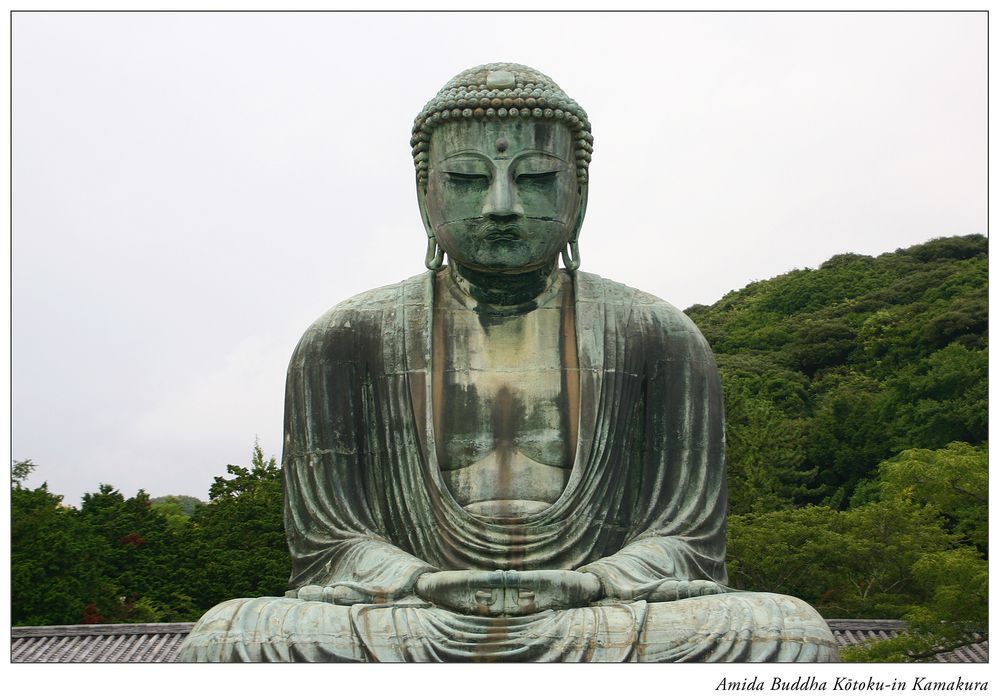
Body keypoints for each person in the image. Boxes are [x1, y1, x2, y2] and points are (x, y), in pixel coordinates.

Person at [179, 63, 839, 662]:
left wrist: (596, 580)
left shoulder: (658, 336)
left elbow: (686, 542)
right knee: (229, 637)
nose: (501, 205)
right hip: (418, 614)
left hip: (597, 613)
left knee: (786, 632)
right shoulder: (345, 340)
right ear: (423, 193)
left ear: (578, 192)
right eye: (467, 179)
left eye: (535, 178)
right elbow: (331, 548)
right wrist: (419, 581)